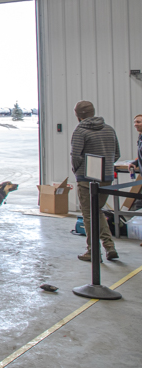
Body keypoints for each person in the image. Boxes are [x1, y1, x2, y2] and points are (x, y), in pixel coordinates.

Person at [69, 100, 119, 262]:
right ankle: (109, 246)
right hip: (107, 178)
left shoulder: (80, 131)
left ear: (78, 115)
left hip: (86, 179)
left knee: (89, 215)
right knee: (97, 211)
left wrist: (78, 171)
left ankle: (93, 251)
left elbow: (75, 155)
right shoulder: (109, 129)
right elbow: (116, 154)